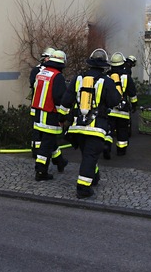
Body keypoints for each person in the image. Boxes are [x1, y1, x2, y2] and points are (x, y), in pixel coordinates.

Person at [59, 49, 122, 199]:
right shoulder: (106, 81)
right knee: (90, 156)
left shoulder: (78, 79)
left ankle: (94, 176)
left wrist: (62, 117)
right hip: (96, 127)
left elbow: (66, 101)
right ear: (103, 66)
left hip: (77, 126)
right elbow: (115, 101)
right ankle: (83, 188)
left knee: (87, 155)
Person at [29, 49, 69, 181]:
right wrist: (63, 116)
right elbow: (59, 98)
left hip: (38, 113)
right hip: (50, 115)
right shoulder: (57, 76)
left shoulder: (41, 73)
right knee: (46, 144)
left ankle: (60, 161)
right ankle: (41, 171)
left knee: (49, 141)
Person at [104, 52, 138, 158]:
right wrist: (134, 105)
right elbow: (132, 93)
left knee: (108, 129)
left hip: (108, 110)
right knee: (122, 130)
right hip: (123, 110)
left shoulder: (106, 77)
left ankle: (106, 146)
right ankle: (121, 150)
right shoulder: (126, 77)